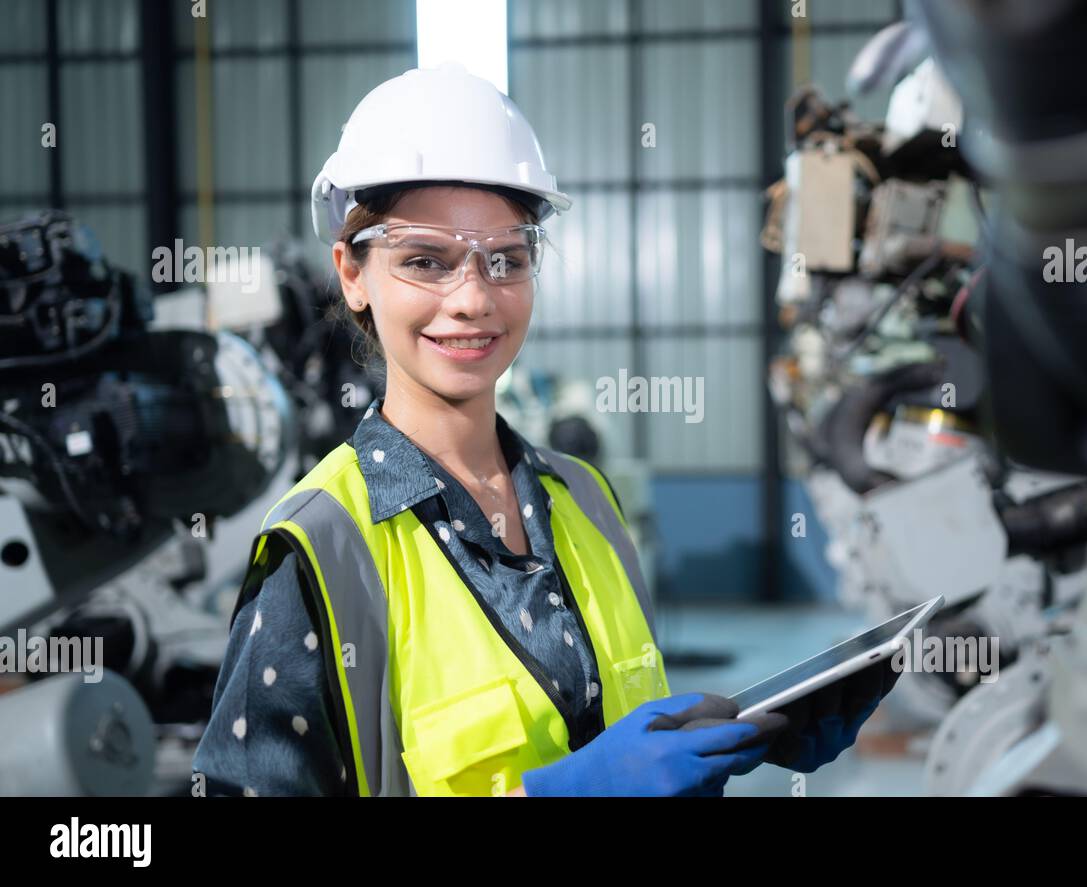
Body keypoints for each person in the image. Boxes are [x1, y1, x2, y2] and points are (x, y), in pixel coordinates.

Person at [192, 63, 896, 797]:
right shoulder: (321, 550)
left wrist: (741, 736)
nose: (471, 297)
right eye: (425, 260)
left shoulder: (585, 498)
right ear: (352, 273)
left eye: (506, 259)